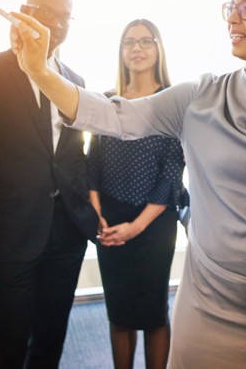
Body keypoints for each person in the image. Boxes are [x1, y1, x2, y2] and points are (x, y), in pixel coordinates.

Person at [10, 0, 246, 369]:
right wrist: (40, 72)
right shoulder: (199, 98)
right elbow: (110, 114)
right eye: (230, 8)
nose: (232, 19)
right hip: (209, 303)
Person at [0, 0, 98, 369]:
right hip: (10, 235)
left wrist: (89, 206)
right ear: (25, 10)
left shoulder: (75, 82)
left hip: (67, 232)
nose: (56, 23)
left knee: (52, 337)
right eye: (47, 12)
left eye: (64, 16)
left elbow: (75, 155)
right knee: (9, 342)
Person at [87, 19, 189, 369]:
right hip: (109, 222)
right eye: (129, 42)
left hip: (155, 224)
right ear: (121, 51)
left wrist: (136, 227)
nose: (137, 48)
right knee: (119, 311)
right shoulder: (107, 100)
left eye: (146, 41)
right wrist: (97, 216)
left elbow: (171, 176)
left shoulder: (173, 101)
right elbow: (93, 163)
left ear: (158, 49)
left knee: (153, 312)